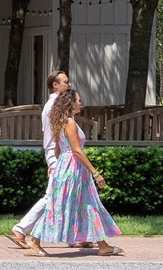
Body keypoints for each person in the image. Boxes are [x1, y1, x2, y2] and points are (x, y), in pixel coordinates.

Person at [33, 86, 121, 255]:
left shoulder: (61, 122)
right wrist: (96, 173)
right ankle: (35, 241)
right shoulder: (70, 123)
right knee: (65, 205)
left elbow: (58, 148)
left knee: (87, 205)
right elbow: (77, 151)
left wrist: (55, 167)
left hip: (68, 169)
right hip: (72, 170)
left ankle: (103, 246)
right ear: (71, 103)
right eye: (79, 100)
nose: (81, 103)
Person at [6, 68, 68, 254]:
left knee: (65, 195)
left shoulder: (50, 105)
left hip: (54, 153)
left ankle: (80, 238)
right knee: (53, 196)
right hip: (58, 153)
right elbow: (58, 134)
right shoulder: (56, 105)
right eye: (65, 81)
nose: (69, 84)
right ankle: (22, 228)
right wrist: (56, 158)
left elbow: (46, 132)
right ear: (55, 85)